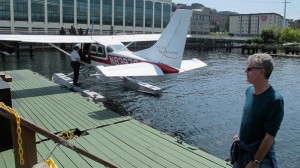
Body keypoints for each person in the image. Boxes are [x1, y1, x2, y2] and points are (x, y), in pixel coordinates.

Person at [231, 53, 284, 168]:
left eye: (249, 68)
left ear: (261, 72)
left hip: (260, 160)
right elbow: (250, 117)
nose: (246, 71)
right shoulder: (249, 90)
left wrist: (256, 162)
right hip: (242, 152)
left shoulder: (275, 100)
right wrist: (240, 134)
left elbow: (270, 136)